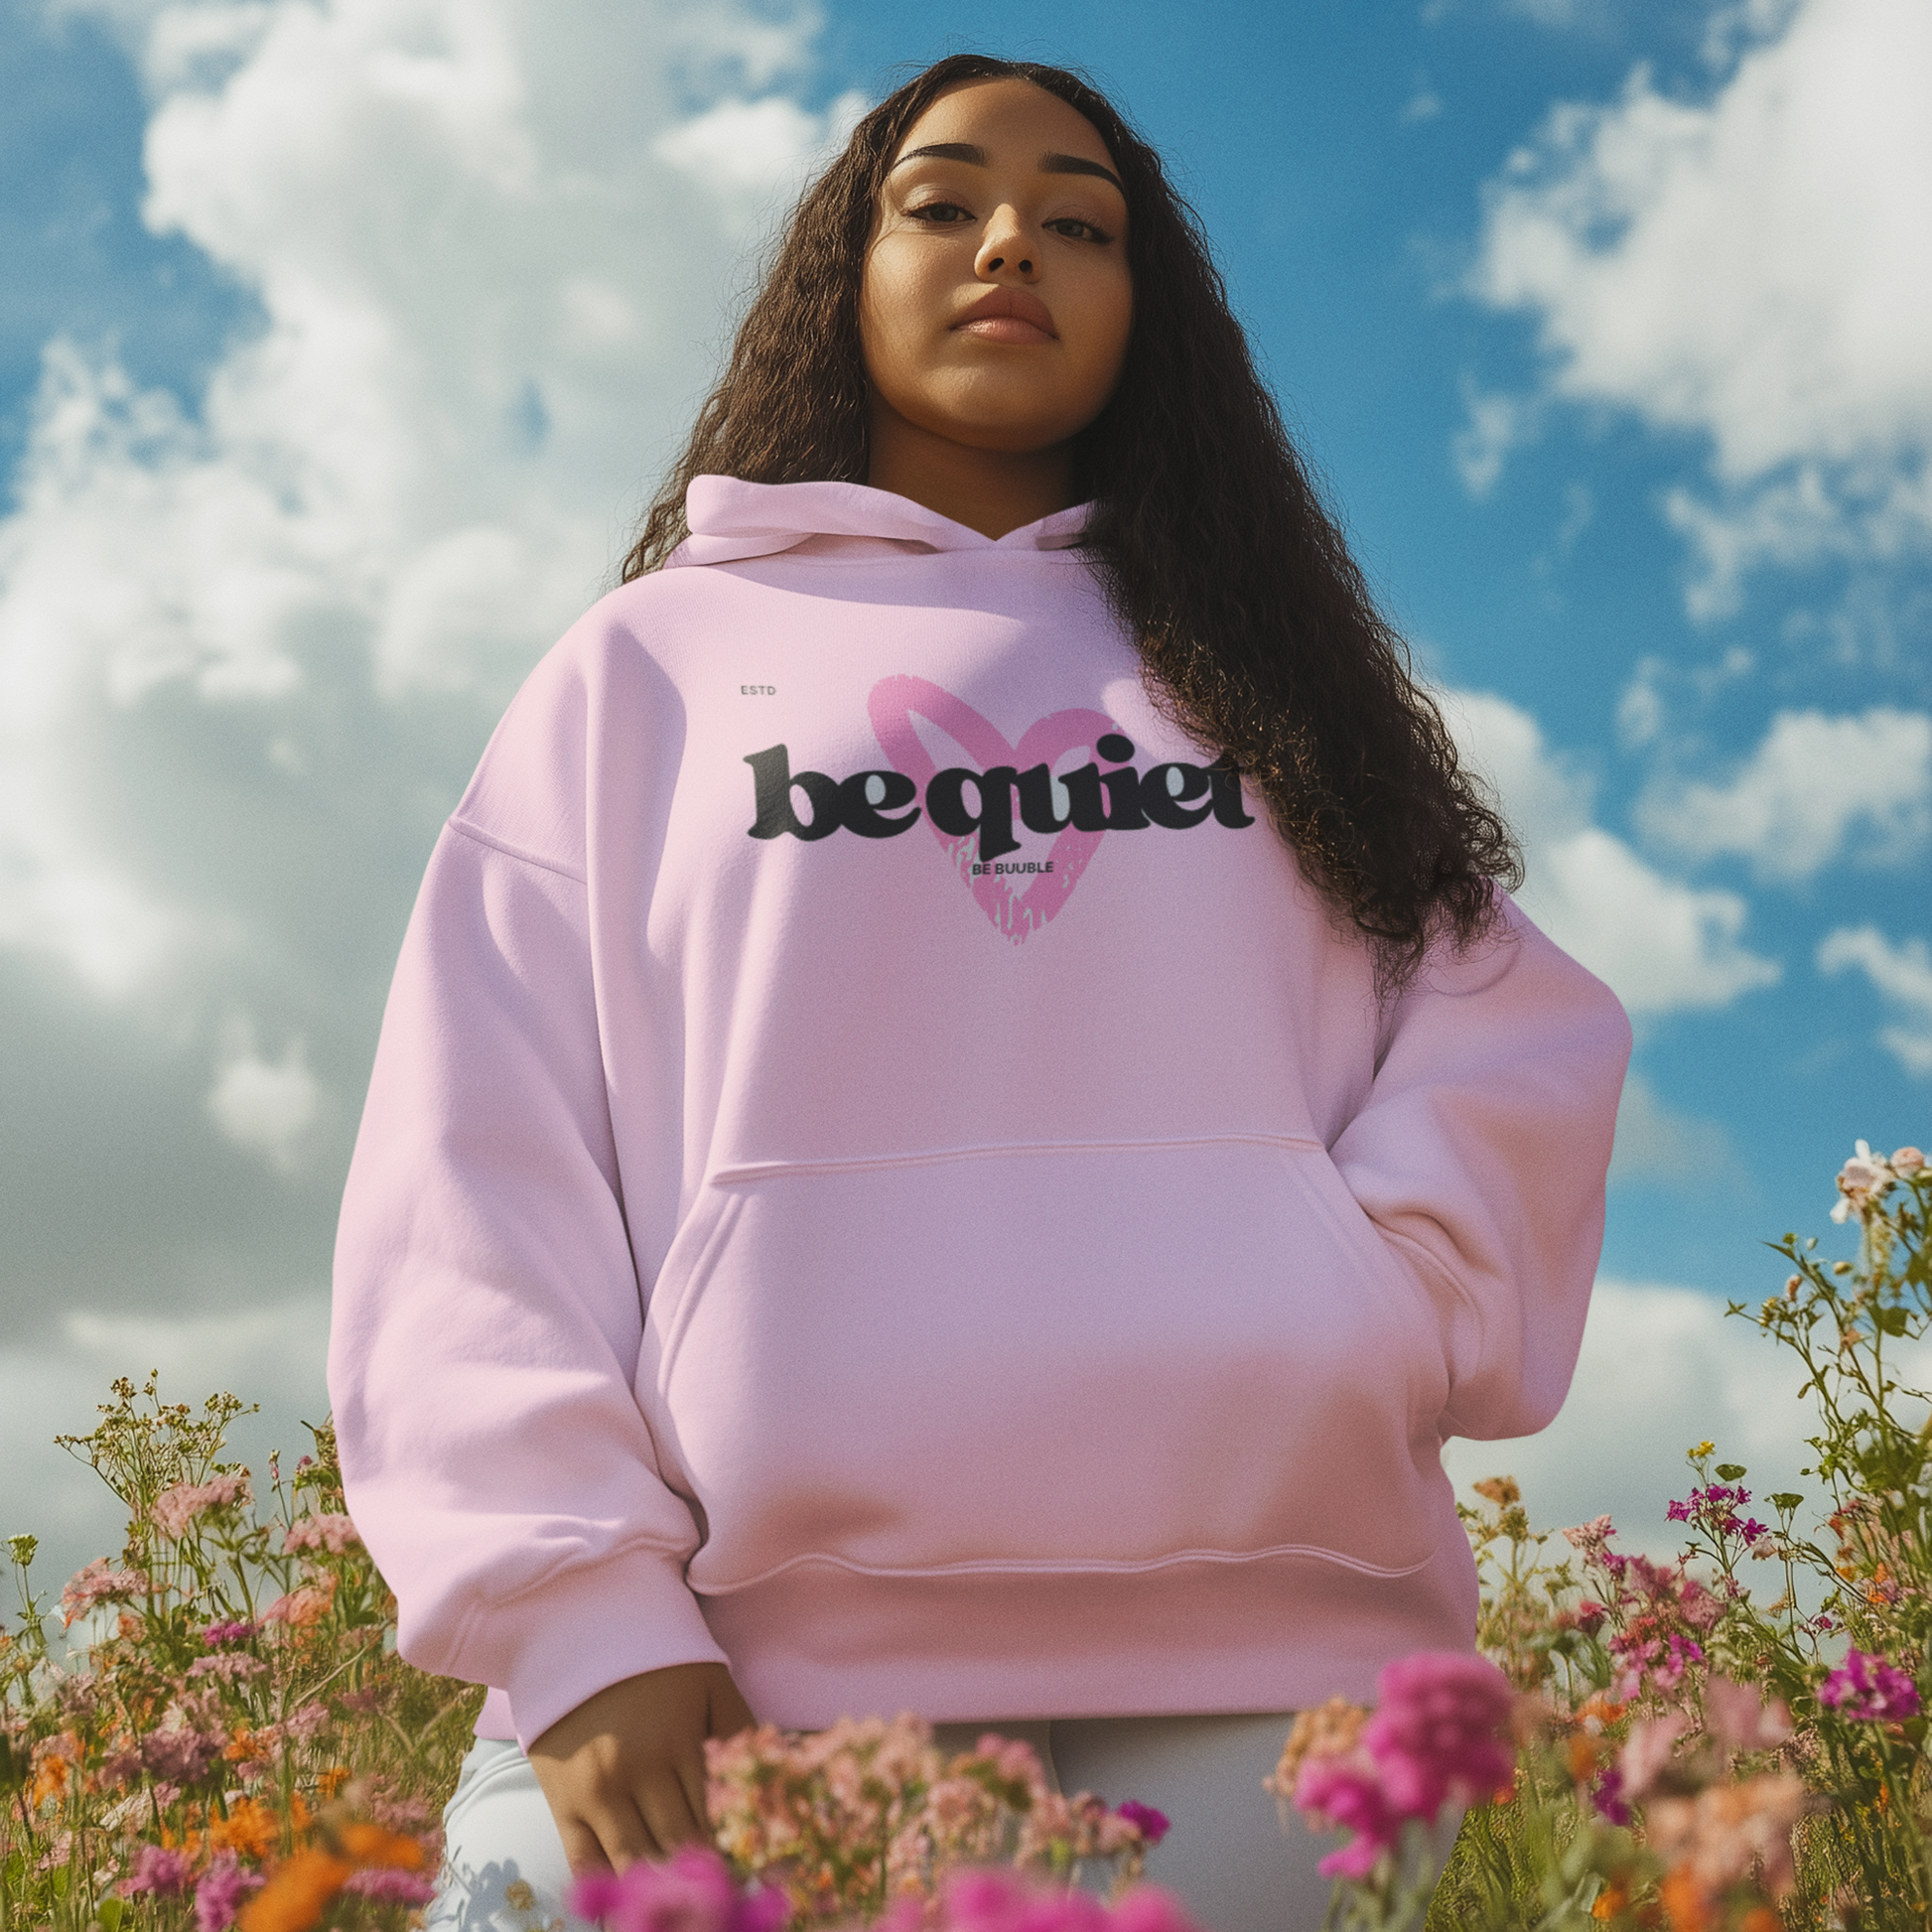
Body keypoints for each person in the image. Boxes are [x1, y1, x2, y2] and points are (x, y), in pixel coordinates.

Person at [328, 53, 1630, 1932]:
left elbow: (1518, 1022)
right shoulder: (646, 671)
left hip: (1284, 1664)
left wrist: (1356, 1315)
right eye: (940, 201)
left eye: (1078, 219)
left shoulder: (1267, 677)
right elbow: (477, 1149)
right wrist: (576, 1612)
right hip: (735, 1664)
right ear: (842, 275)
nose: (1010, 236)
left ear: (1142, 309)